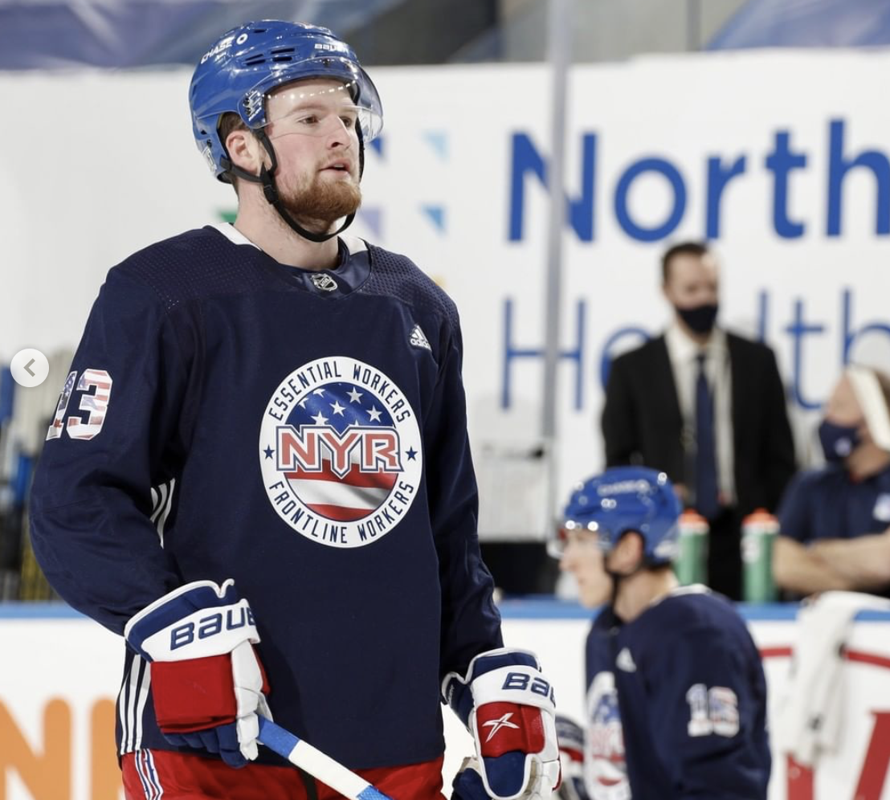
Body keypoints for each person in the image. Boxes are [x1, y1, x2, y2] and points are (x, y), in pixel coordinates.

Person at [28, 20, 560, 800]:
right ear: (241, 145)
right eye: (310, 119)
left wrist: (480, 665)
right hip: (217, 741)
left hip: (393, 742)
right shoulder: (165, 293)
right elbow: (73, 502)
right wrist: (165, 619)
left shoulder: (414, 309)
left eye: (348, 117)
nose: (341, 135)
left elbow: (444, 531)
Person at [551, 466, 771, 799]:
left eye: (582, 540)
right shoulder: (607, 629)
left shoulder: (697, 635)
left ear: (627, 549)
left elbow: (720, 788)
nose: (566, 562)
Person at [601, 241, 796, 600]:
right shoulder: (633, 369)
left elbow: (781, 455)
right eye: (691, 289)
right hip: (668, 538)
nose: (704, 299)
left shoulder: (757, 361)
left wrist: (766, 519)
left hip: (746, 536)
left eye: (712, 287)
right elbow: (618, 462)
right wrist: (655, 495)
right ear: (667, 291)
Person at [773, 365, 890, 598]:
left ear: (869, 422)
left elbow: (884, 562)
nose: (826, 417)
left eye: (839, 407)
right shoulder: (809, 484)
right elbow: (779, 563)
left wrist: (813, 550)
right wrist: (859, 585)